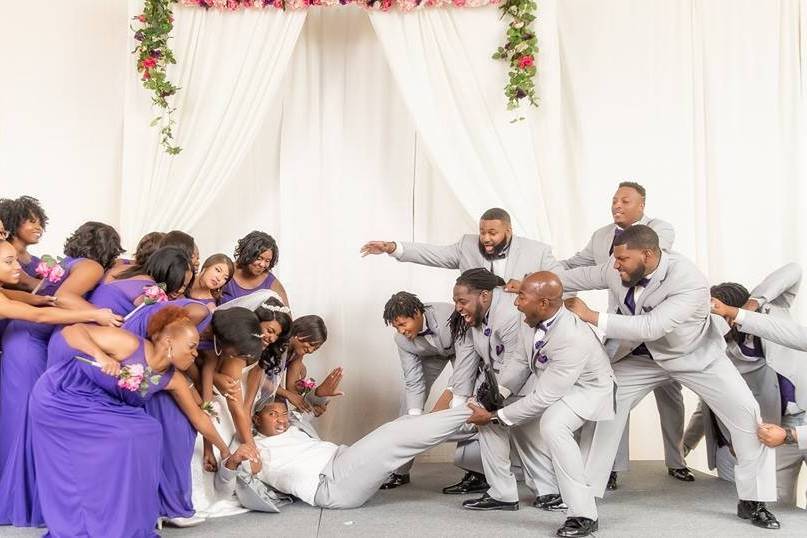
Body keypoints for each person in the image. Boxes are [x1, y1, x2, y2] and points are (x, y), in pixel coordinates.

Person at [562, 225, 780, 529]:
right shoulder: (619, 265)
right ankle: (582, 509)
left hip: (696, 356)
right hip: (645, 358)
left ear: (648, 255)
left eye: (623, 259)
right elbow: (583, 276)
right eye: (615, 258)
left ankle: (754, 501)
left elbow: (652, 326)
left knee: (746, 412)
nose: (616, 265)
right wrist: (532, 280)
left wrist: (591, 316)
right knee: (604, 408)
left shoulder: (689, 279)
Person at [29, 307, 237, 537]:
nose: (195, 354)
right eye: (191, 346)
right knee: (125, 435)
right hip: (66, 393)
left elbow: (198, 417)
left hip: (101, 406)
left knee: (148, 430)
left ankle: (126, 515)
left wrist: (224, 450)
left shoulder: (173, 378)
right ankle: (93, 515)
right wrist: (101, 356)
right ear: (169, 342)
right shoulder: (128, 343)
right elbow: (73, 332)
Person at [464, 272, 615, 538]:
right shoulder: (529, 318)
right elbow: (521, 362)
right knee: (524, 414)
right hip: (555, 381)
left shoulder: (572, 336)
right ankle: (521, 492)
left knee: (553, 425)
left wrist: (495, 415)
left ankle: (583, 515)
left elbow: (544, 397)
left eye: (522, 297)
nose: (516, 303)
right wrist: (499, 391)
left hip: (589, 389)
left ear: (544, 303)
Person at [561, 181, 689, 488]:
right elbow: (575, 265)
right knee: (611, 393)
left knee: (671, 397)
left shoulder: (660, 229)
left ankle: (676, 460)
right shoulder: (601, 236)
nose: (617, 205)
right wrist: (538, 274)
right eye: (614, 200)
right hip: (620, 326)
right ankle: (611, 468)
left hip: (662, 330)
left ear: (642, 205)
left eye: (625, 201)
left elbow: (648, 265)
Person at [215, 396, 475, 511]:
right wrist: (232, 461)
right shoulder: (253, 448)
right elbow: (226, 487)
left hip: (341, 464)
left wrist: (320, 396)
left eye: (284, 414)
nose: (282, 419)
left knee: (403, 426)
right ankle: (473, 411)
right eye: (273, 415)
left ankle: (474, 425)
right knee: (393, 435)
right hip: (331, 484)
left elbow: (308, 407)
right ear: (256, 419)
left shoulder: (294, 429)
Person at [709, 266, 807, 506]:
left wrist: (751, 305)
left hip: (803, 415)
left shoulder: (774, 310)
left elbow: (793, 270)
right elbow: (721, 398)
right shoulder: (721, 349)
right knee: (777, 503)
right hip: (776, 430)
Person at [377, 292, 479, 492]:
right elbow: (413, 381)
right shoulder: (402, 340)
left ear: (417, 313)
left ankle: (475, 472)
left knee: (465, 407)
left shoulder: (449, 316)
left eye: (403, 324)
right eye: (396, 326)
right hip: (431, 353)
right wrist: (415, 420)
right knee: (408, 409)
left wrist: (450, 399)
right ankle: (400, 472)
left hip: (465, 352)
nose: (401, 331)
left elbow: (464, 366)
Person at [361, 207, 564, 290]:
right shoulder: (467, 245)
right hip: (476, 329)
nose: (485, 238)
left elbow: (563, 284)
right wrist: (392, 247)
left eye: (492, 233)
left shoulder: (538, 251)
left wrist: (526, 287)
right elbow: (433, 254)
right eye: (482, 231)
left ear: (509, 231)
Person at [88, 246, 194, 317]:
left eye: (184, 286)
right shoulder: (154, 292)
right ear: (167, 273)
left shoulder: (126, 268)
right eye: (179, 283)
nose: (180, 290)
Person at [220, 231, 288, 305]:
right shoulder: (226, 270)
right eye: (259, 258)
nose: (262, 264)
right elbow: (206, 298)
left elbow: (286, 315)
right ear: (247, 254)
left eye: (267, 261)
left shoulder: (272, 284)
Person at [0, 196, 48, 290]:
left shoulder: (37, 261)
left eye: (40, 223)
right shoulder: (3, 255)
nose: (39, 228)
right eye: (32, 222)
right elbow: (26, 284)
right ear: (13, 222)